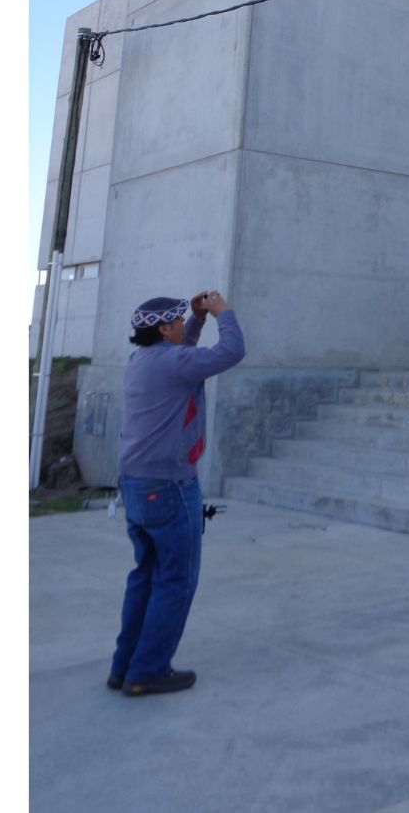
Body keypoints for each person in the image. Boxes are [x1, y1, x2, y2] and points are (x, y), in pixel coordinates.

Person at [110, 290, 247, 697]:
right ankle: (148, 671)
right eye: (176, 323)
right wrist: (222, 313)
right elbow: (232, 351)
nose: (180, 328)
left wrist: (197, 319)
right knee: (175, 580)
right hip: (169, 487)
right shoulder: (175, 363)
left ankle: (125, 667)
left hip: (136, 484)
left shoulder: (141, 361)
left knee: (146, 576)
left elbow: (183, 354)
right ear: (164, 329)